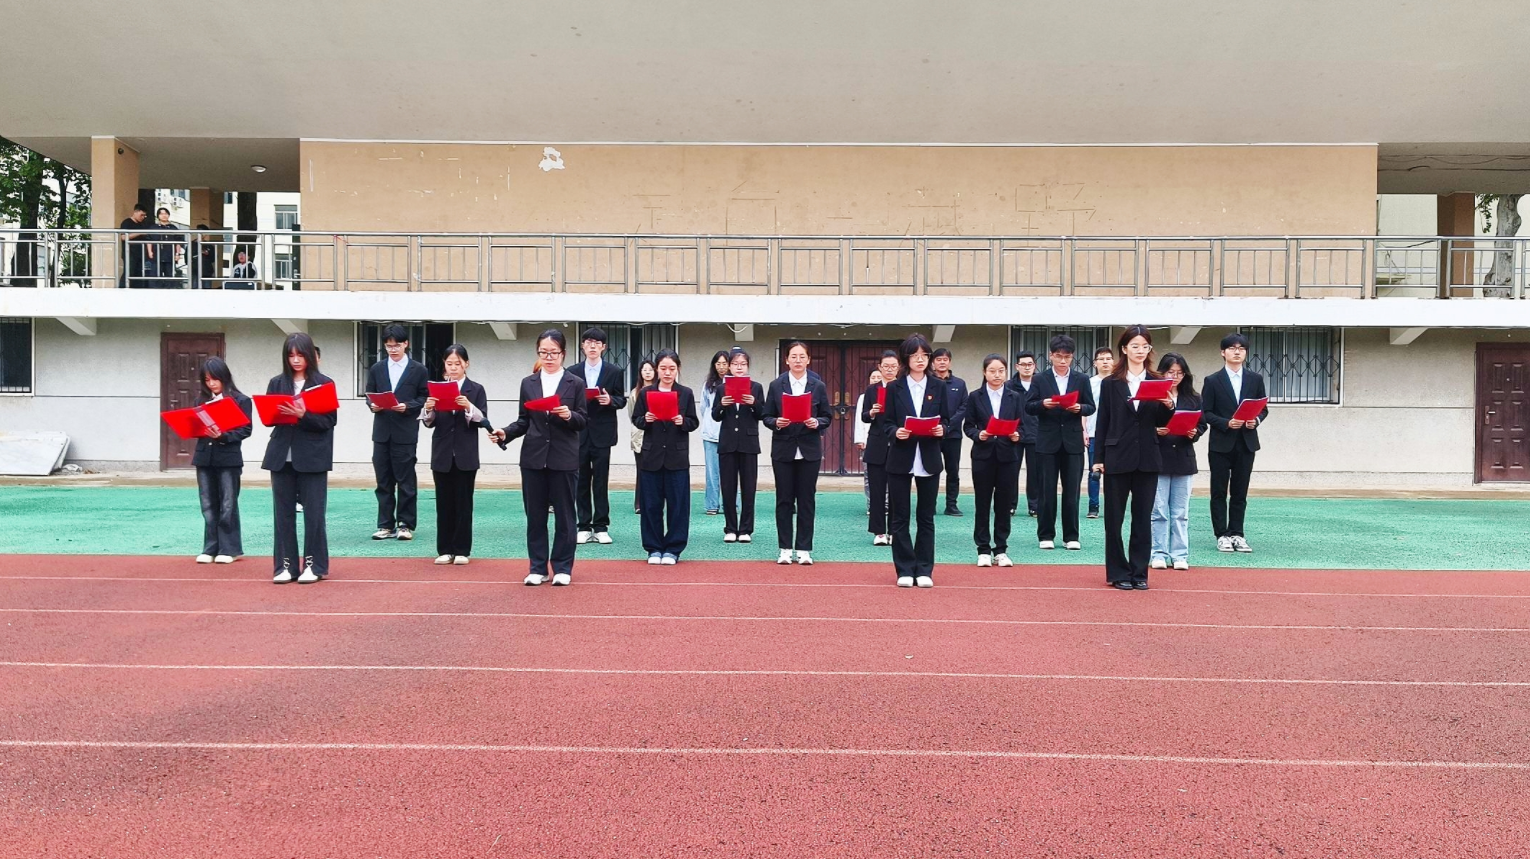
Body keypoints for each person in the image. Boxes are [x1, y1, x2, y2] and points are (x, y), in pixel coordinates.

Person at [497, 330, 588, 585]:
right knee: (535, 516)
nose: (548, 357)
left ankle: (562, 567)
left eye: (553, 353)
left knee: (565, 516)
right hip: (533, 457)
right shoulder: (529, 383)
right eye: (543, 352)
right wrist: (506, 433)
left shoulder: (575, 383)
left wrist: (569, 415)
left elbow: (583, 420)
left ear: (563, 354)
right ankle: (537, 567)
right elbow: (524, 420)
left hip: (564, 457)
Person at [1092, 325, 1176, 590]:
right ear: (1124, 349)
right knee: (1114, 519)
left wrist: (1169, 406)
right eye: (1135, 346)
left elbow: (1160, 421)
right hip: (1117, 456)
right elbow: (1103, 421)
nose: (1140, 351)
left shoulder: (1157, 380)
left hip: (1148, 456)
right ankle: (1118, 572)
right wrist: (1098, 458)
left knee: (1142, 518)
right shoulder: (1111, 383)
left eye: (1145, 346)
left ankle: (1139, 572)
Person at [261, 333, 337, 584]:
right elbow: (268, 419)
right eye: (290, 355)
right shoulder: (276, 383)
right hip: (281, 456)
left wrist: (304, 414)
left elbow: (329, 421)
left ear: (309, 356)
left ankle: (314, 566)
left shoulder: (323, 383)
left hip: (313, 457)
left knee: (314, 514)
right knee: (283, 514)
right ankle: (286, 566)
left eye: (300, 355)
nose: (295, 360)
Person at [884, 333, 950, 588]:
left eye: (925, 355)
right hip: (901, 456)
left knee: (926, 516)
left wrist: (942, 429)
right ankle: (904, 568)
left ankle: (924, 569)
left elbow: (946, 420)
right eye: (915, 355)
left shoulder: (939, 386)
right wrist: (895, 432)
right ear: (906, 358)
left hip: (929, 456)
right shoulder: (894, 388)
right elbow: (886, 423)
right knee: (900, 516)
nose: (920, 360)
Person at [761, 341, 833, 565]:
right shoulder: (776, 385)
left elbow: (827, 416)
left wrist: (816, 422)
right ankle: (784, 548)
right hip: (783, 449)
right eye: (793, 356)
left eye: (802, 356)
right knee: (784, 499)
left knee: (806, 500)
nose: (798, 360)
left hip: (809, 449)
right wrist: (777, 422)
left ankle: (804, 549)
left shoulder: (817, 385)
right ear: (786, 360)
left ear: (808, 359)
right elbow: (766, 416)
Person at [1025, 335, 1097, 551]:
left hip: (1073, 441)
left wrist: (1079, 408)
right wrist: (1043, 404)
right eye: (1059, 356)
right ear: (1051, 356)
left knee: (1072, 491)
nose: (1063, 361)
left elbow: (1090, 406)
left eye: (1067, 357)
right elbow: (1029, 406)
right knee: (1046, 491)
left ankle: (1071, 536)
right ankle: (1046, 534)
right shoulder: (1040, 379)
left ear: (1072, 357)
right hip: (1047, 441)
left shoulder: (1081, 379)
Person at [422, 344, 490, 566]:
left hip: (465, 453)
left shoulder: (476, 389)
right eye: (449, 363)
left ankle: (461, 550)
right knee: (443, 504)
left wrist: (468, 406)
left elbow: (482, 419)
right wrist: (428, 408)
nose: (453, 367)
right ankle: (444, 549)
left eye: (457, 363)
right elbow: (428, 422)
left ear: (466, 364)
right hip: (442, 452)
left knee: (463, 503)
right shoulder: (437, 388)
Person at [1201, 333, 1269, 554]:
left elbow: (1263, 408)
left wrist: (1255, 420)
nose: (1237, 352)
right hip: (1220, 443)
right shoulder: (1212, 380)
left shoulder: (1255, 379)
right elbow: (1205, 413)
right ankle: (1221, 534)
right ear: (1223, 352)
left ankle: (1237, 533)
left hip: (1246, 443)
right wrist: (1226, 423)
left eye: (1241, 348)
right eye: (1232, 348)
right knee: (1218, 491)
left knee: (1240, 492)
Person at [631, 349, 700, 565]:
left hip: (676, 457)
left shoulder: (685, 393)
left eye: (672, 368)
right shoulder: (646, 393)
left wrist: (682, 421)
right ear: (656, 369)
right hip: (651, 456)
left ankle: (673, 548)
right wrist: (646, 419)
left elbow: (693, 422)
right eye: (663, 368)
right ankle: (653, 548)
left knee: (678, 505)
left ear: (678, 369)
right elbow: (636, 419)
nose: (667, 372)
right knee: (651, 505)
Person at [365, 323, 428, 542]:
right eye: (389, 346)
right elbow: (370, 393)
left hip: (405, 432)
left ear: (405, 344)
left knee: (406, 480)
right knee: (383, 480)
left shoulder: (418, 369)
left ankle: (405, 524)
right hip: (382, 431)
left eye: (396, 345)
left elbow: (424, 397)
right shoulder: (377, 368)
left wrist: (408, 406)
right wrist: (372, 405)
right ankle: (385, 524)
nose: (393, 349)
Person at [191, 357, 253, 565]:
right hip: (204, 457)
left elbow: (246, 429)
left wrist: (223, 436)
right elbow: (194, 427)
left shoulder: (241, 400)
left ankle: (229, 548)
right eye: (207, 380)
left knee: (228, 504)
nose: (211, 384)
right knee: (207, 504)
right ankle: (210, 548)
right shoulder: (200, 401)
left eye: (215, 379)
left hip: (228, 458)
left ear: (224, 377)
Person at [963, 354, 1023, 567]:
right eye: (992, 371)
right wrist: (978, 434)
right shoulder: (975, 396)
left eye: (1001, 371)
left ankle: (1001, 549)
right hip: (983, 455)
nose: (997, 375)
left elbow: (1023, 425)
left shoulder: (1015, 397)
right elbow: (968, 426)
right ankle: (983, 549)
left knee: (1004, 503)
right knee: (982, 502)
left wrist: (1017, 435)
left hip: (1008, 456)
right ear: (984, 372)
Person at [574, 327, 627, 545]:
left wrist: (610, 401)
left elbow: (621, 399)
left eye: (597, 343)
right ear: (583, 346)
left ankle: (601, 526)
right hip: (579, 432)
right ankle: (583, 526)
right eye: (588, 342)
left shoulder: (614, 371)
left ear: (603, 347)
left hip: (603, 433)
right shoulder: (573, 371)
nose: (592, 346)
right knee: (581, 480)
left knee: (601, 481)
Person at [1152, 353, 1204, 571]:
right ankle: (1158, 553)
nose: (1174, 377)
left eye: (1179, 373)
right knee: (1159, 511)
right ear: (1161, 373)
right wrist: (1155, 431)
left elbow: (1202, 424)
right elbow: (1142, 423)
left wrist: (1194, 432)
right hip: (1159, 458)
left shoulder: (1193, 398)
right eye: (1170, 372)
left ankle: (1179, 554)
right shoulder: (1153, 396)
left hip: (1183, 458)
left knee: (1180, 512)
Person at [714, 348, 763, 543]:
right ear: (729, 367)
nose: (739, 368)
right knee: (728, 487)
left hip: (749, 443)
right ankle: (730, 528)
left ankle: (746, 529)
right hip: (727, 443)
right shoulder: (721, 388)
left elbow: (763, 414)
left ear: (748, 366)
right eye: (735, 364)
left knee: (749, 488)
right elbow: (715, 415)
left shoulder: (756, 387)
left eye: (743, 364)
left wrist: (753, 403)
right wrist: (722, 405)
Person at [860, 350, 900, 546]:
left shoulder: (903, 388)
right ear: (879, 367)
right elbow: (864, 416)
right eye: (886, 366)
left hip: (898, 443)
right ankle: (879, 532)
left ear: (899, 368)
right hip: (876, 443)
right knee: (876, 490)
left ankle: (894, 530)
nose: (889, 370)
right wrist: (872, 412)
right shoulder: (872, 390)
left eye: (893, 366)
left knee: (896, 491)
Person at [931, 348, 969, 517]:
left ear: (950, 362)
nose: (942, 362)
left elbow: (964, 407)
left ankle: (951, 505)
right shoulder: (928, 382)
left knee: (953, 471)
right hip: (931, 434)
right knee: (932, 470)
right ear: (933, 362)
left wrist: (948, 426)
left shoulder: (959, 384)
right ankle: (930, 504)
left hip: (953, 435)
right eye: (938, 359)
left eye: (945, 359)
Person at [1005, 351, 1041, 516]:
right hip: (1014, 434)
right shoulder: (1008, 386)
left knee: (1035, 472)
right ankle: (1009, 505)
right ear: (1017, 366)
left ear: (1035, 366)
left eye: (1030, 364)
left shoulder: (1041, 384)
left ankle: (1034, 505)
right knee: (1011, 471)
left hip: (1036, 433)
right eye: (1023, 364)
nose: (1027, 368)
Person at [1084, 346, 1115, 519]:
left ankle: (1112, 506)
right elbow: (1085, 409)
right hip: (1093, 433)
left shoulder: (1120, 382)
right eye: (1101, 359)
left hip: (1115, 434)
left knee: (1114, 472)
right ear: (1095, 363)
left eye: (1108, 358)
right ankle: (1093, 506)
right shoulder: (1089, 383)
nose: (1105, 362)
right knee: (1094, 472)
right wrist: (1084, 430)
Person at [700, 350, 730, 516]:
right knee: (712, 472)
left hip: (730, 433)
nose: (721, 367)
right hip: (710, 433)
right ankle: (712, 504)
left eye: (725, 363)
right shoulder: (708, 385)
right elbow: (703, 407)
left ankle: (731, 505)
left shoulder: (735, 383)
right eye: (718, 364)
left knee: (731, 471)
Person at [627, 356, 657, 515]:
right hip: (640, 436)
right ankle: (639, 502)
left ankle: (655, 501)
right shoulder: (635, 393)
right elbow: (632, 415)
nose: (647, 372)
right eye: (644, 370)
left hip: (658, 435)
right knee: (641, 470)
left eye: (650, 370)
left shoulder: (660, 390)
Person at [854, 369, 882, 516]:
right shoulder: (864, 396)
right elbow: (860, 419)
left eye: (878, 376)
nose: (876, 379)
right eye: (873, 377)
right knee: (868, 475)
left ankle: (887, 504)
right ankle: (871, 504)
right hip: (868, 439)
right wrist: (859, 439)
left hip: (884, 438)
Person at [149, 207, 183, 288]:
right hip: (156, 256)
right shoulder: (153, 228)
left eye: (166, 214)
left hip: (169, 256)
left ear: (168, 215)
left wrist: (177, 254)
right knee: (155, 277)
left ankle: (169, 292)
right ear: (158, 216)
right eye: (161, 214)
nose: (164, 215)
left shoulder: (173, 228)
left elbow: (178, 242)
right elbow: (149, 240)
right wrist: (150, 251)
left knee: (170, 277)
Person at [119, 203, 151, 287]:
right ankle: (122, 289)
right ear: (135, 212)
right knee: (129, 272)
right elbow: (123, 237)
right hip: (130, 253)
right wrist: (139, 232)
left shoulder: (142, 224)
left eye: (144, 216)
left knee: (138, 274)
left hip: (140, 254)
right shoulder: (127, 222)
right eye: (141, 215)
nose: (143, 217)